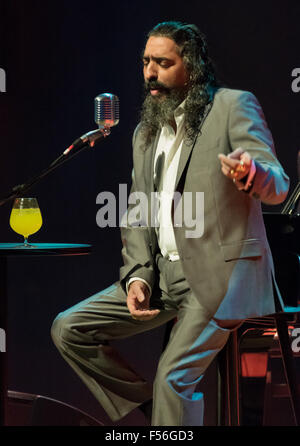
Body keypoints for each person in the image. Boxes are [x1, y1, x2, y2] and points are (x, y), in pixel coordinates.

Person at [51, 21, 290, 426]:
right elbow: (139, 211)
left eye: (163, 62)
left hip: (220, 276)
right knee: (69, 328)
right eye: (146, 62)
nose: (150, 72)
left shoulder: (232, 105)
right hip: (164, 276)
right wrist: (138, 277)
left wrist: (252, 175)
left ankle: (168, 408)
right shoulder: (145, 130)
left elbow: (277, 182)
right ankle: (161, 412)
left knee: (173, 379)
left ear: (191, 68)